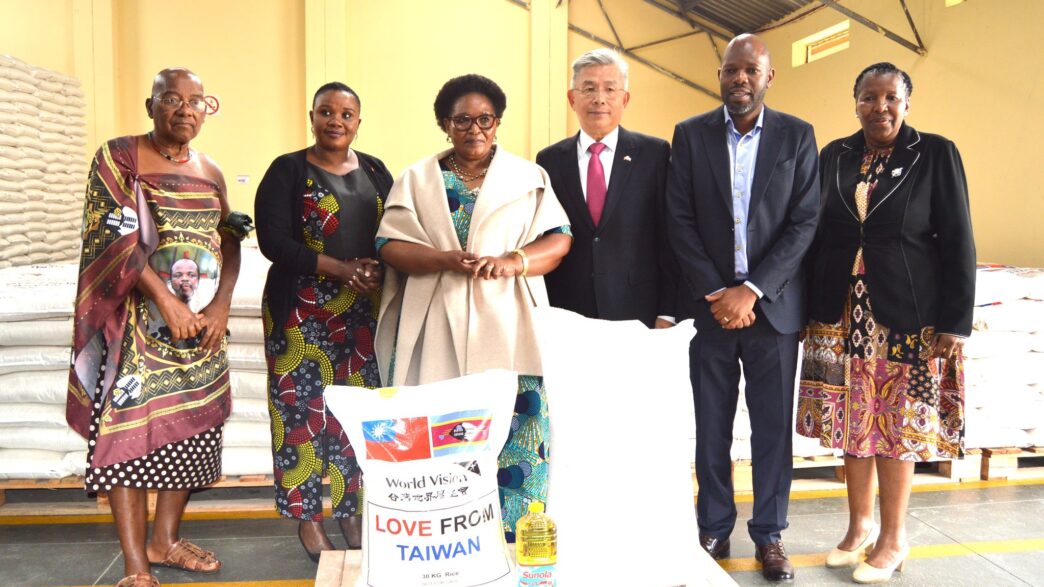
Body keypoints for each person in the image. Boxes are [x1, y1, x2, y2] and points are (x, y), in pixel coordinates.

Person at [67, 68, 247, 587]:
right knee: (128, 440)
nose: (186, 110)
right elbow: (114, 235)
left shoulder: (211, 170)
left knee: (192, 432)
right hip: (138, 327)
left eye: (197, 101)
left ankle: (165, 541)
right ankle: (136, 567)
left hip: (201, 332)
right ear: (151, 106)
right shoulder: (119, 156)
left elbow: (230, 239)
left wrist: (220, 308)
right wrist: (166, 301)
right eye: (172, 99)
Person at [797, 62, 974, 584]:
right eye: (869, 97)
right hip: (841, 312)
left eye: (891, 97)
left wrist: (955, 320)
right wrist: (808, 307)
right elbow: (819, 235)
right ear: (855, 102)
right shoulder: (835, 155)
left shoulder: (935, 153)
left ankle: (894, 539)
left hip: (905, 316)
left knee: (895, 426)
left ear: (907, 102)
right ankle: (858, 528)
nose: (880, 107)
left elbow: (958, 238)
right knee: (853, 421)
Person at [374, 74, 571, 541]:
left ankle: (514, 540)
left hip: (509, 322)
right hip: (435, 321)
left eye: (485, 119)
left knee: (518, 432)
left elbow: (559, 239)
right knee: (438, 431)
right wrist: (442, 259)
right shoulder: (417, 178)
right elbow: (388, 244)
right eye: (462, 119)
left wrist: (513, 261)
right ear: (445, 124)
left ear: (497, 122)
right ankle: (448, 540)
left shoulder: (529, 177)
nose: (474, 129)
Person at [665, 34, 820, 582]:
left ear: (769, 77)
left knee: (772, 429)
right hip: (708, 309)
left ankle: (770, 533)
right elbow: (678, 218)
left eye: (751, 71)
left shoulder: (797, 136)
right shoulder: (689, 136)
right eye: (732, 70)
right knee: (711, 423)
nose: (740, 80)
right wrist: (718, 292)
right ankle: (713, 524)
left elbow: (804, 222)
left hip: (772, 309)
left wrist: (752, 290)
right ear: (721, 76)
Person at [255, 82, 393, 562]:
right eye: (327, 112)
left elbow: (395, 229)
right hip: (299, 312)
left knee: (354, 415)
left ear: (359, 120)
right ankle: (308, 522)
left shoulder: (375, 169)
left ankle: (351, 512)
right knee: (300, 416)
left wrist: (378, 266)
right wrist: (342, 269)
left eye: (347, 113)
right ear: (311, 116)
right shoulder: (287, 170)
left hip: (360, 314)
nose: (337, 120)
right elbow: (274, 242)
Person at [536, 49, 675, 328]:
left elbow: (669, 237)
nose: (599, 98)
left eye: (610, 89)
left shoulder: (654, 153)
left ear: (625, 99)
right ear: (572, 98)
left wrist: (668, 311)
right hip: (567, 311)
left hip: (638, 311)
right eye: (588, 88)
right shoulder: (549, 160)